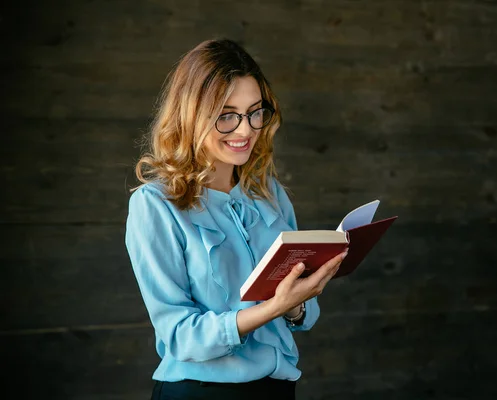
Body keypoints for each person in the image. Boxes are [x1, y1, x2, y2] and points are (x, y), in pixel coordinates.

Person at [124, 38, 347, 400]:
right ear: (191, 115)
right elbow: (180, 335)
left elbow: (303, 316)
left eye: (255, 112)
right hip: (199, 392)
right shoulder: (155, 206)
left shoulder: (269, 194)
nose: (245, 130)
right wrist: (273, 308)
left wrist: (297, 305)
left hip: (276, 389)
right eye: (226, 115)